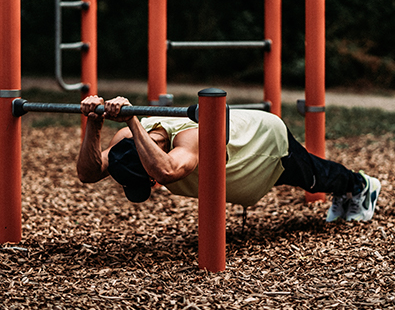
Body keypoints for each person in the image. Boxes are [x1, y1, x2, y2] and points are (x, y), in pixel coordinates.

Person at [77, 95, 381, 222]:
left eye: (149, 179)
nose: (154, 184)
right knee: (313, 175)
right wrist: (93, 121)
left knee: (315, 177)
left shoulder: (187, 138)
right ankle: (348, 188)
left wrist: (131, 119)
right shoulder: (127, 143)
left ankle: (360, 186)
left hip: (262, 145)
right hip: (242, 165)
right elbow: (89, 173)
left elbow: (168, 170)